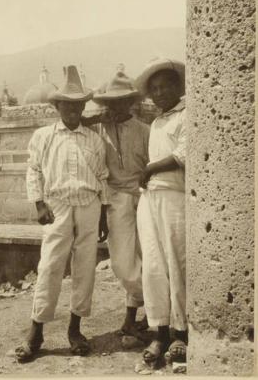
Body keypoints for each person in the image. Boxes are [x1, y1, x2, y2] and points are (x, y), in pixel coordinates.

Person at [15, 65, 110, 363]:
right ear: (57, 106)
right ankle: (37, 331)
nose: (72, 110)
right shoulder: (44, 136)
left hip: (89, 206)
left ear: (83, 107)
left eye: (78, 105)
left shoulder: (93, 139)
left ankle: (75, 330)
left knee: (84, 267)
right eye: (67, 105)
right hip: (57, 208)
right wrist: (39, 204)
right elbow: (34, 171)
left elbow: (102, 177)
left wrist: (104, 214)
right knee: (50, 267)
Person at [91, 67, 150, 340]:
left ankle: (132, 320)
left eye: (122, 100)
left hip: (145, 197)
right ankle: (161, 301)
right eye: (111, 102)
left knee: (149, 257)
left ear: (131, 102)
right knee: (123, 265)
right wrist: (98, 115)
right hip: (115, 200)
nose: (117, 106)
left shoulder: (146, 130)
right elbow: (72, 119)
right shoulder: (98, 129)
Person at [134, 58, 187, 366]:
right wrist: (148, 176)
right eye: (154, 88)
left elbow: (182, 154)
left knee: (176, 261)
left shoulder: (187, 115)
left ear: (178, 86)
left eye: (165, 85)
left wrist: (151, 168)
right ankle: (160, 330)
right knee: (153, 264)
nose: (159, 92)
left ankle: (181, 331)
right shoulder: (156, 122)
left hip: (174, 196)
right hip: (150, 198)